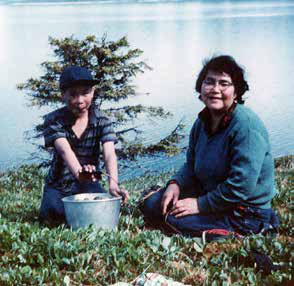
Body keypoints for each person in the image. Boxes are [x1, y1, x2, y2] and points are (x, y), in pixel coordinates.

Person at [140, 55, 279, 238]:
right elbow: (191, 164)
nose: (215, 89)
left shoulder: (246, 126)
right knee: (152, 204)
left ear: (236, 91)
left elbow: (241, 186)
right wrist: (176, 184)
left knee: (173, 219)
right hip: (211, 195)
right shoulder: (202, 122)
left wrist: (199, 205)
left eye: (224, 83)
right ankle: (198, 222)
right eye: (209, 82)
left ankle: (243, 231)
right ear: (201, 87)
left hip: (244, 212)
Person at [39, 66, 129, 224]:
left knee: (101, 210)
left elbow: (109, 153)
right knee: (53, 217)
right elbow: (65, 150)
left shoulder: (102, 120)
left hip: (88, 183)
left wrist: (113, 184)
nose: (80, 101)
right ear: (63, 95)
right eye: (73, 94)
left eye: (85, 92)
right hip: (58, 186)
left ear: (93, 92)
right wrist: (79, 173)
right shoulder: (53, 120)